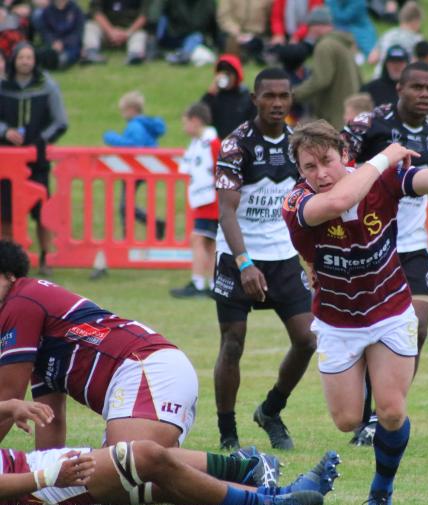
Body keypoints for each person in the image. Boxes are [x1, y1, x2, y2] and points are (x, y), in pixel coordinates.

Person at [283, 120, 428, 505]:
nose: (320, 174)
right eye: (309, 167)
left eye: (327, 161)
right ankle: (366, 368)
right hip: (337, 322)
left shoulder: (381, 180)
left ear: (345, 156)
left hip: (389, 310)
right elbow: (337, 203)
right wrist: (385, 156)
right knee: (347, 420)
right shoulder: (297, 202)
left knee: (391, 410)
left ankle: (381, 491)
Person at [342, 61, 428, 446]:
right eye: (417, 87)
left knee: (417, 329)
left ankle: (386, 415)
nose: (425, 94)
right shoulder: (368, 125)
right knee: (370, 336)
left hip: (412, 247)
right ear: (399, 88)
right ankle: (366, 412)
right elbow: (338, 166)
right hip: (372, 247)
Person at [0, 240, 198, 448]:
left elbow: (9, 396)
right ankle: (229, 469)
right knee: (132, 473)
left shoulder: (20, 300)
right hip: (154, 369)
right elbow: (49, 419)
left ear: (10, 275)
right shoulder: (42, 335)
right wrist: (47, 475)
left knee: (122, 466)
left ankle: (232, 467)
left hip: (145, 368)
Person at [212, 68, 316, 451]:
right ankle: (228, 434)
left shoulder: (298, 143)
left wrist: (312, 257)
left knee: (307, 339)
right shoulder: (235, 145)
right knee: (233, 344)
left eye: (283, 96)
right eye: (269, 96)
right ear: (254, 99)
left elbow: (311, 201)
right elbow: (226, 212)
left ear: (291, 99)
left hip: (283, 257)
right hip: (238, 257)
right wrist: (244, 263)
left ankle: (271, 410)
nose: (277, 103)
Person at [0, 400, 338, 505]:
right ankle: (263, 498)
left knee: (166, 484)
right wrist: (47, 478)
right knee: (145, 455)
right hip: (36, 484)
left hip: (35, 467)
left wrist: (10, 406)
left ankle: (281, 495)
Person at [0, 42, 67, 276]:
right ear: (14, 60)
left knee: (42, 210)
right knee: (6, 211)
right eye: (22, 58)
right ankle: (9, 259)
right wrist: (5, 132)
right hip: (6, 160)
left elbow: (60, 121)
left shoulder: (46, 85)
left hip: (36, 158)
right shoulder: (2, 85)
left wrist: (40, 140)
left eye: (30, 57)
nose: (26, 62)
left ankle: (45, 257)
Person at [170, 103, 221, 299]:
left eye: (186, 122)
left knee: (200, 239)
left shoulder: (213, 143)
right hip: (203, 200)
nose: (184, 127)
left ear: (195, 121)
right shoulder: (198, 143)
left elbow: (221, 170)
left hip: (211, 200)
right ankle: (211, 284)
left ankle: (201, 284)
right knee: (208, 242)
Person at [103, 90, 166, 244]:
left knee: (125, 206)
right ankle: (151, 226)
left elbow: (134, 146)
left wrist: (112, 138)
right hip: (139, 170)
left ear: (131, 110)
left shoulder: (134, 126)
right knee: (126, 205)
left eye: (123, 111)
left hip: (134, 171)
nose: (122, 114)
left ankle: (132, 236)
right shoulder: (142, 124)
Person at [293, 6, 361, 130]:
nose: (309, 32)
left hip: (334, 116)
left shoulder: (324, 46)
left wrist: (293, 95)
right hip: (348, 111)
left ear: (317, 26)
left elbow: (321, 79)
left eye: (310, 27)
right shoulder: (343, 44)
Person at [199, 54, 256, 140]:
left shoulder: (247, 98)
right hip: (218, 145)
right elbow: (199, 117)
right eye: (221, 74)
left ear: (237, 75)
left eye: (229, 74)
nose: (226, 78)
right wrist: (210, 94)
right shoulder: (214, 97)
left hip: (240, 144)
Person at [149, 0, 217, 65]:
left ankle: (183, 55)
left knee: (197, 37)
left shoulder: (208, 3)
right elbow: (154, 16)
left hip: (193, 40)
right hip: (171, 36)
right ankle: (159, 50)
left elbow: (213, 26)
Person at [81, 0, 150, 65]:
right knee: (90, 26)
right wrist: (110, 31)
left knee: (140, 34)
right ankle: (91, 52)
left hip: (129, 31)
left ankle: (135, 55)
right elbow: (96, 12)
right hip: (106, 30)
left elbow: (144, 16)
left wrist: (127, 34)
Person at [367, 1, 423, 79]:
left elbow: (372, 59)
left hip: (379, 78)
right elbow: (418, 64)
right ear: (416, 21)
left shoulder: (387, 34)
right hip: (403, 81)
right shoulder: (417, 39)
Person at [216, 0, 273, 64]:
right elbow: (224, 16)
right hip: (232, 32)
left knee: (256, 43)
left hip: (256, 34)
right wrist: (235, 31)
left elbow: (271, 18)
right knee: (224, 39)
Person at [34, 0, 84, 70]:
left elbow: (77, 32)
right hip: (53, 44)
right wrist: (53, 42)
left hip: (70, 43)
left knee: (73, 51)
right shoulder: (47, 11)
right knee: (46, 51)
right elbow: (46, 31)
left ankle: (61, 61)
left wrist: (63, 43)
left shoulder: (76, 10)